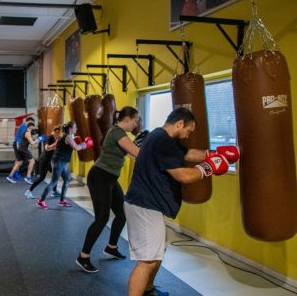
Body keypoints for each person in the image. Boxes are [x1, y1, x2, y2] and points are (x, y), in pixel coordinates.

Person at [124, 107, 236, 296]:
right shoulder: (162, 140)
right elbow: (183, 175)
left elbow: (187, 154)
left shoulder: (163, 137)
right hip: (144, 206)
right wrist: (208, 167)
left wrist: (213, 154)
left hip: (149, 205)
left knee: (158, 252)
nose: (187, 135)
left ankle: (148, 290)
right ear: (179, 123)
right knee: (148, 260)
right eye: (188, 130)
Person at [76, 106, 141, 273]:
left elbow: (130, 153)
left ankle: (111, 247)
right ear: (127, 120)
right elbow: (137, 153)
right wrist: (146, 145)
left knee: (121, 214)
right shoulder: (117, 132)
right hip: (100, 177)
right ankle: (83, 257)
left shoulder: (120, 134)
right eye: (135, 121)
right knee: (101, 218)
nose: (136, 124)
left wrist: (140, 143)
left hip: (110, 178)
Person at [36, 120, 93, 209]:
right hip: (59, 161)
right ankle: (41, 200)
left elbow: (63, 146)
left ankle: (62, 200)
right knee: (54, 181)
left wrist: (77, 142)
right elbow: (77, 148)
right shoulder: (68, 137)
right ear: (70, 128)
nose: (76, 128)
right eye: (75, 127)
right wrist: (86, 143)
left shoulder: (64, 136)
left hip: (61, 161)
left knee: (67, 179)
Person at [24, 125, 61, 199]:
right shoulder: (50, 137)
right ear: (56, 131)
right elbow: (46, 148)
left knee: (55, 174)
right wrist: (54, 145)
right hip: (44, 160)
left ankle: (54, 191)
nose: (60, 134)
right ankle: (28, 191)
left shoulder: (55, 138)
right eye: (59, 132)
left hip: (48, 160)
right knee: (41, 178)